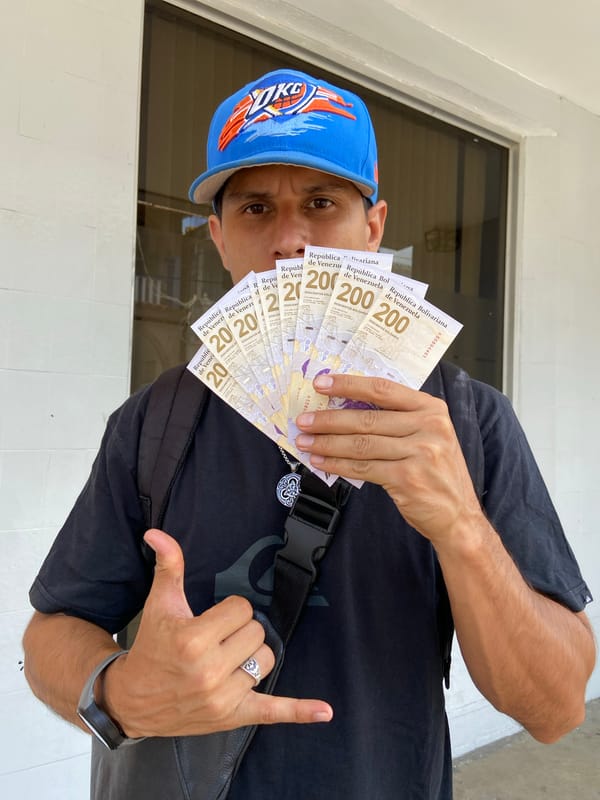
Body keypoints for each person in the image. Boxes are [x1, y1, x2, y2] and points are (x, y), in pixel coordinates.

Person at [23, 68, 595, 799]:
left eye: (321, 203)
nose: (290, 240)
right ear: (222, 240)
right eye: (257, 208)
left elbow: (553, 710)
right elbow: (53, 631)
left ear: (374, 228)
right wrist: (121, 690)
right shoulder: (153, 422)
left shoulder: (469, 421)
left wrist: (460, 528)